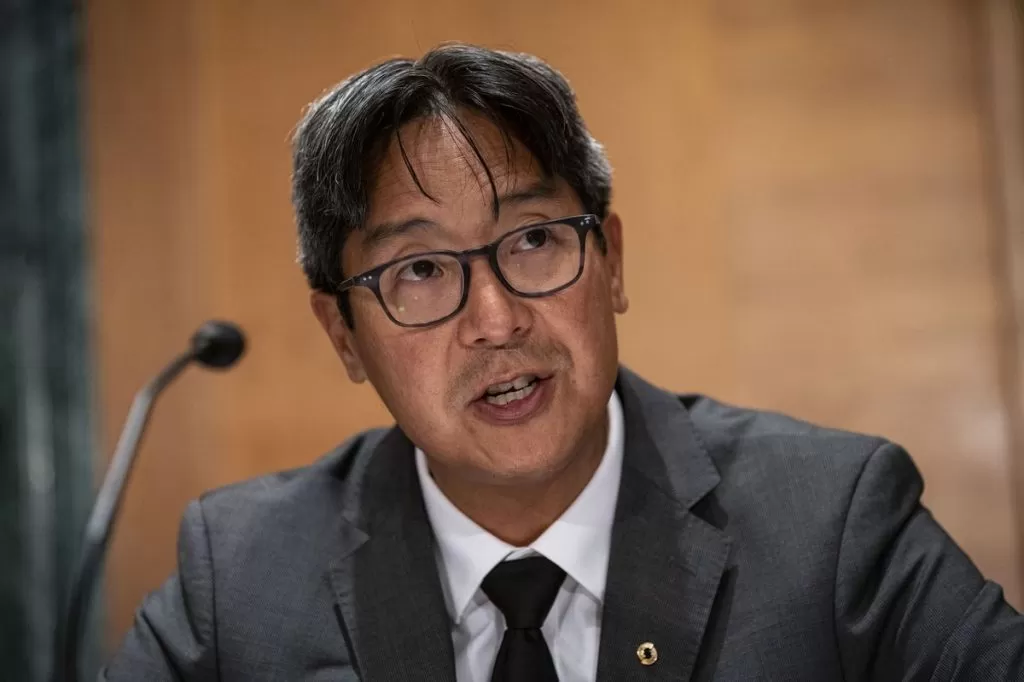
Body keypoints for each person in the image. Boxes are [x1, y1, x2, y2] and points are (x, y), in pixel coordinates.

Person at [102, 43, 1024, 682]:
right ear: (343, 333)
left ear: (611, 261)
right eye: (420, 270)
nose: (497, 320)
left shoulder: (830, 523)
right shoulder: (243, 577)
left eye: (536, 240)